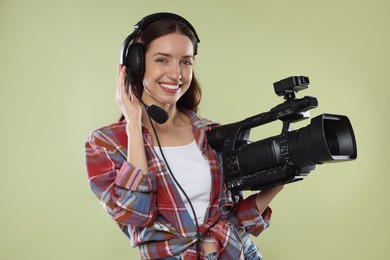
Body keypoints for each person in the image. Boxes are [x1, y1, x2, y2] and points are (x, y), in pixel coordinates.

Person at [85, 12, 284, 260]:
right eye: (162, 60)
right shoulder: (106, 143)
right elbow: (137, 214)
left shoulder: (212, 133)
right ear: (136, 65)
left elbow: (236, 219)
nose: (176, 74)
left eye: (185, 62)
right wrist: (134, 125)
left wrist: (280, 179)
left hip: (241, 253)